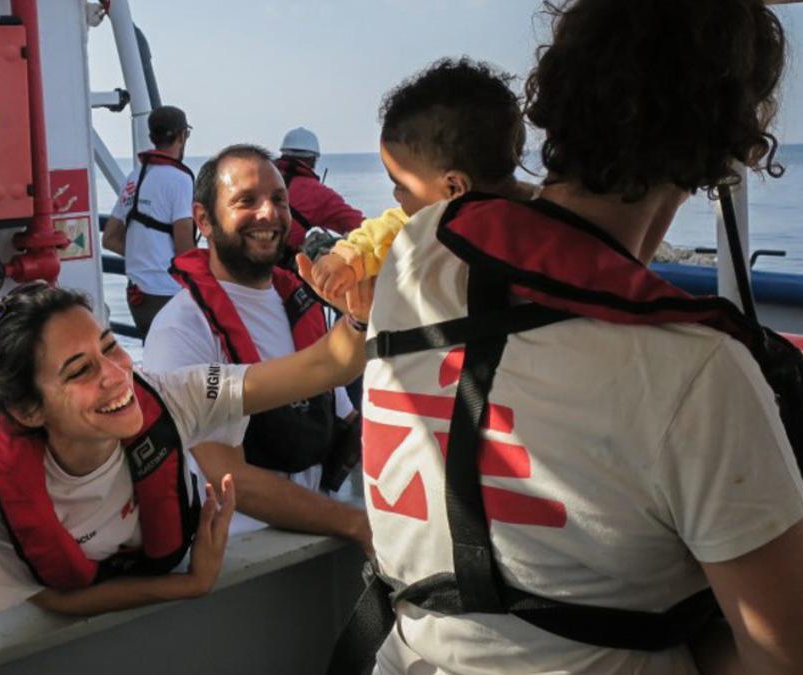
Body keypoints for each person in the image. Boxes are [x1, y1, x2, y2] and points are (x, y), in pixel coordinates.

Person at [344, 2, 803, 674]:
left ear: (555, 97)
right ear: (732, 135)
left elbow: (523, 228)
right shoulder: (696, 371)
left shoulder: (416, 250)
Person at [0, 280, 366, 618]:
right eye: (80, 370)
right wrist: (188, 583)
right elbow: (52, 600)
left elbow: (324, 366)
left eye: (110, 346)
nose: (116, 375)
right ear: (28, 411)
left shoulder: (172, 398)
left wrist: (360, 314)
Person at [143, 144, 372, 550]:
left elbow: (345, 415)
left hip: (320, 532)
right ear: (204, 220)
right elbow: (228, 478)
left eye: (279, 200)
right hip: (242, 551)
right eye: (246, 201)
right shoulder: (180, 329)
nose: (268, 213)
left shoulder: (302, 304)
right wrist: (357, 525)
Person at [302, 58, 537, 301]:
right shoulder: (552, 214)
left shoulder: (432, 222)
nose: (396, 196)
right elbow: (376, 237)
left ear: (454, 187)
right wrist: (345, 258)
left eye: (400, 186)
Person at [101, 105, 196, 339]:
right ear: (181, 136)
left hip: (137, 295)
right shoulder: (180, 180)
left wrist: (144, 256)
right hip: (167, 293)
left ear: (153, 137)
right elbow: (185, 250)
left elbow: (109, 239)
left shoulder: (135, 176)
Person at [274, 127, 365, 265]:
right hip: (275, 269)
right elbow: (358, 225)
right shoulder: (316, 193)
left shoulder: (261, 177)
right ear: (312, 160)